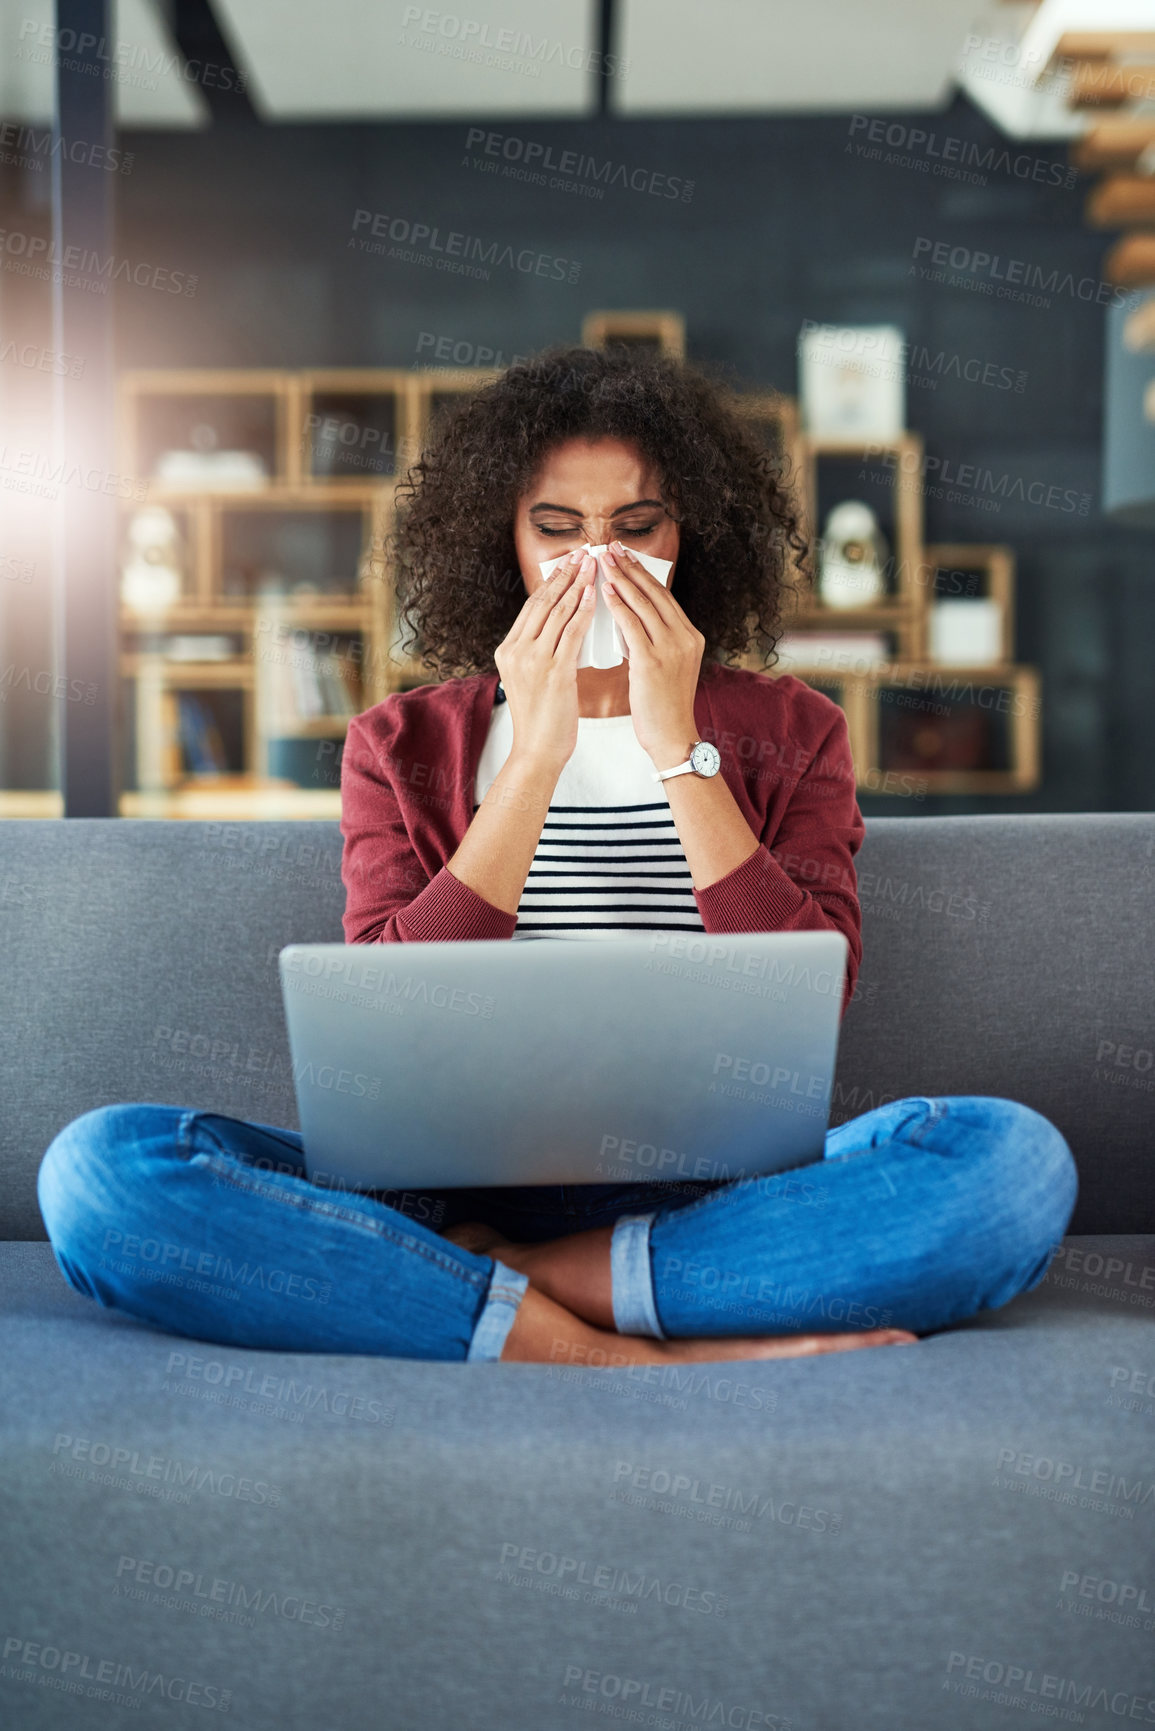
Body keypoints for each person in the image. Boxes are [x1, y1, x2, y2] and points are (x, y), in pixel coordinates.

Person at [37, 345, 1077, 1368]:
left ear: (694, 538)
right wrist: (535, 756)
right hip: (443, 1187)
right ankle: (623, 1338)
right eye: (557, 529)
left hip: (720, 1190)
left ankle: (505, 1282)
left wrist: (679, 749)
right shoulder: (404, 746)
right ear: (505, 543)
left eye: (637, 528)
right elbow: (400, 1007)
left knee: (1010, 1168)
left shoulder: (792, 730)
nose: (599, 563)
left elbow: (812, 981)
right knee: (105, 1175)